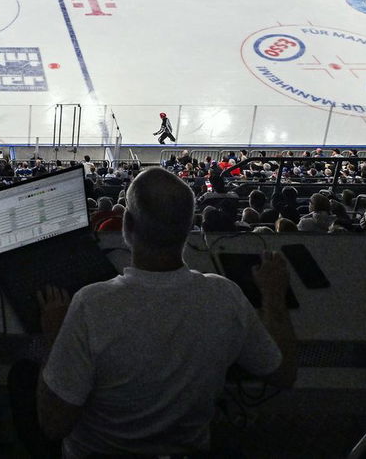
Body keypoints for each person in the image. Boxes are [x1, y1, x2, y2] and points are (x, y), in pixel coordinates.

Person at [26, 168, 296, 458]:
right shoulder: (226, 297)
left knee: (23, 374)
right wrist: (273, 297)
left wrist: (55, 337)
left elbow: (52, 426)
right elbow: (284, 375)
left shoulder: (90, 305)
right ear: (189, 225)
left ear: (127, 225)